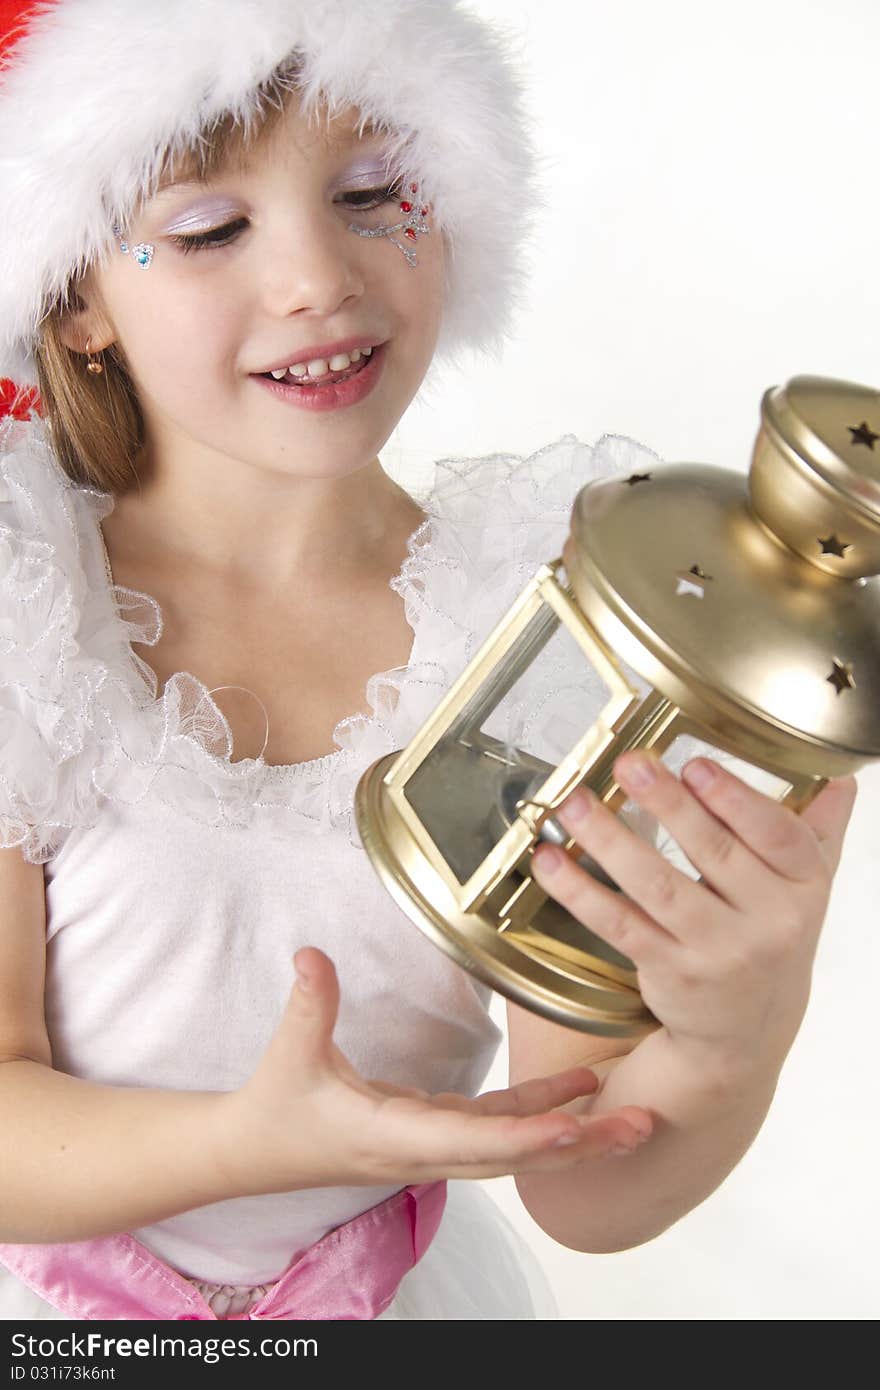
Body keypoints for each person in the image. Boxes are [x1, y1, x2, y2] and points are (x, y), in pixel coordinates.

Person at [0, 0, 856, 1322]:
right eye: (213, 226)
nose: (318, 278)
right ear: (75, 305)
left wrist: (736, 1022)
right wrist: (258, 1142)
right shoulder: (23, 600)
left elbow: (586, 1178)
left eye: (373, 192)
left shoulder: (527, 620)